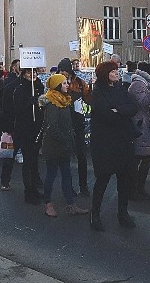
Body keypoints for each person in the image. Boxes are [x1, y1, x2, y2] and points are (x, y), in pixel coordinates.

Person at [89, 60, 139, 231]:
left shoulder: (121, 89)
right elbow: (104, 114)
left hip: (123, 141)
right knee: (103, 179)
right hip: (105, 143)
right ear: (105, 74)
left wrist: (118, 110)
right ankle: (95, 214)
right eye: (113, 71)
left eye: (117, 70)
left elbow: (134, 107)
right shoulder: (98, 92)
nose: (117, 73)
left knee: (124, 180)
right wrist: (120, 111)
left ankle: (122, 213)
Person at [39, 74, 88, 218]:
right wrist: (65, 140)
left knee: (67, 175)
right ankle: (48, 203)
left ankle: (70, 204)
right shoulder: (52, 103)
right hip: (54, 145)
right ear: (57, 86)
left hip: (64, 145)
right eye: (65, 83)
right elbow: (52, 127)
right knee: (51, 175)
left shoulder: (65, 100)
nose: (67, 85)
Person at [0, 65, 44, 203]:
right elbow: (14, 109)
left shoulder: (39, 87)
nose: (33, 74)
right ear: (23, 74)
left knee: (32, 160)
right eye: (29, 72)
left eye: (35, 71)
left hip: (35, 129)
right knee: (20, 157)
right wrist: (29, 104)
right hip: (21, 128)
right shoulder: (18, 88)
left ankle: (33, 188)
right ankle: (24, 189)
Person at [58, 58, 91, 197]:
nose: (62, 73)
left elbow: (89, 99)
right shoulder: (57, 82)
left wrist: (91, 89)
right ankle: (68, 187)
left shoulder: (79, 83)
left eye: (64, 71)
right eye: (61, 71)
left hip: (78, 123)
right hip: (64, 124)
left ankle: (83, 186)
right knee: (65, 158)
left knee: (81, 157)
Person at [129, 62, 150, 200]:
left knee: (145, 157)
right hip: (138, 124)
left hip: (143, 122)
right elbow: (143, 102)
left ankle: (139, 188)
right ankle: (134, 189)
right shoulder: (138, 84)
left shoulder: (143, 84)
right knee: (138, 158)